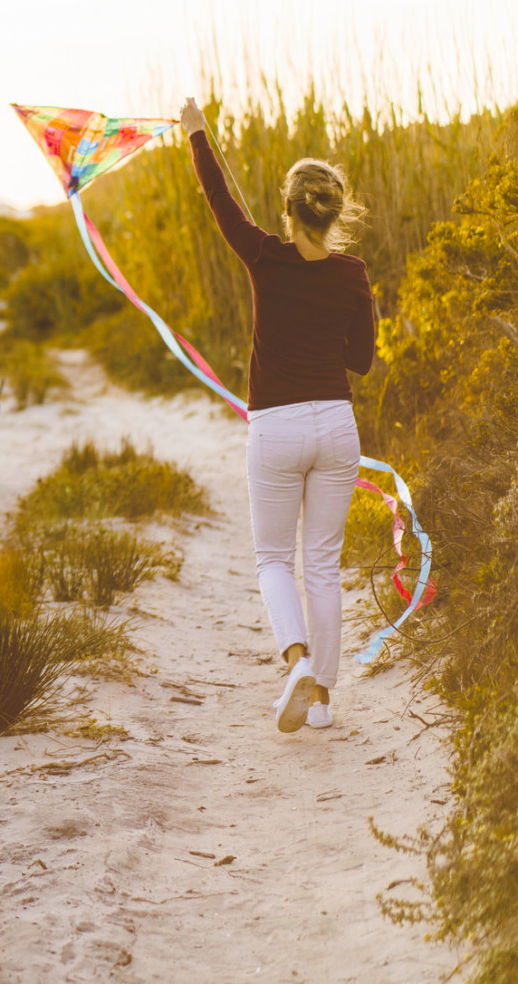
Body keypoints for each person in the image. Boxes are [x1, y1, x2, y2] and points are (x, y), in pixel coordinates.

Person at [183, 97, 375, 734]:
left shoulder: (263, 255)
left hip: (276, 428)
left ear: (287, 210)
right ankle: (321, 699)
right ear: (337, 212)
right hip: (336, 427)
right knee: (323, 565)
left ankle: (295, 659)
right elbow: (363, 362)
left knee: (273, 560)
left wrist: (198, 134)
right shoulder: (354, 274)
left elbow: (220, 206)